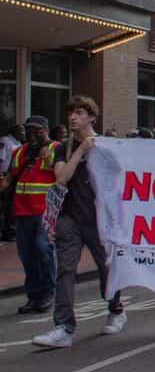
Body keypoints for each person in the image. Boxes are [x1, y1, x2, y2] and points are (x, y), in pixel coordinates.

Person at [34, 96, 126, 348]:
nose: (73, 118)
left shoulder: (107, 147)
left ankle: (116, 309)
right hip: (69, 218)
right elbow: (61, 178)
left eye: (79, 113)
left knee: (106, 268)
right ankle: (64, 327)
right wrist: (81, 150)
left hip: (99, 220)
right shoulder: (63, 148)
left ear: (91, 117)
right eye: (70, 113)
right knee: (65, 269)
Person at [0, 116, 58, 313]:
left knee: (43, 250)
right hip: (22, 211)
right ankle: (34, 296)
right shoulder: (19, 152)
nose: (32, 135)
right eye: (29, 131)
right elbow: (9, 177)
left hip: (45, 212)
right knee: (27, 255)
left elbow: (63, 175)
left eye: (37, 131)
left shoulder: (56, 149)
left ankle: (48, 292)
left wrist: (48, 159)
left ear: (46, 131)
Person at [0, 123, 25, 241]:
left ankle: (10, 231)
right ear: (14, 132)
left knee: (11, 205)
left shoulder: (19, 143)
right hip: (5, 175)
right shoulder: (5, 141)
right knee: (5, 206)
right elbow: (1, 159)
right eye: (22, 131)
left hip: (14, 176)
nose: (24, 133)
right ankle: (7, 232)